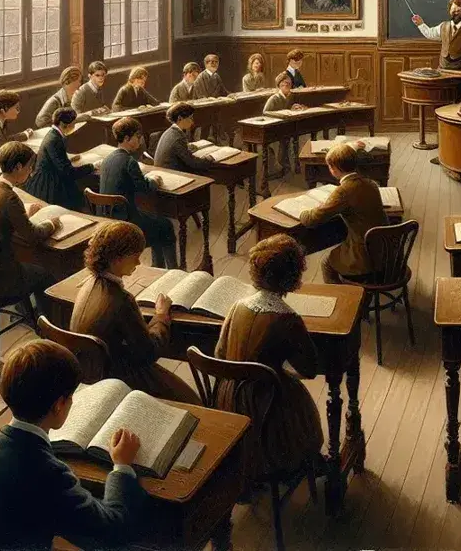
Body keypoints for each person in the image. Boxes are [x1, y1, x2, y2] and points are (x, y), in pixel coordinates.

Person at [0, 339, 147, 550]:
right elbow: (113, 528)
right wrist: (122, 467)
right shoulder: (49, 474)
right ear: (59, 405)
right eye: (70, 397)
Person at [213, 234, 325, 484]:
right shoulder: (289, 319)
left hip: (228, 398)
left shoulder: (238, 306)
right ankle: (284, 463)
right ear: (293, 277)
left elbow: (220, 354)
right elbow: (309, 369)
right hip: (268, 408)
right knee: (303, 419)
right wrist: (279, 369)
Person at [70, 221, 200, 404]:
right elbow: (149, 352)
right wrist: (161, 315)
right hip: (120, 377)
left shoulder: (89, 283)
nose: (139, 262)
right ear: (118, 258)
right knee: (192, 401)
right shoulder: (122, 300)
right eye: (135, 256)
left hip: (93, 370)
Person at [0, 142, 57, 312]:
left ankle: (26, 310)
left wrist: (25, 215)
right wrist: (51, 223)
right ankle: (43, 322)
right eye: (29, 167)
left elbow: (2, 218)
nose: (31, 173)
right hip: (2, 279)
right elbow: (33, 235)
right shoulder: (10, 197)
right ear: (18, 167)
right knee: (47, 274)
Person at [299, 143, 387, 284]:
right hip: (384, 250)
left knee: (327, 263)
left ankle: (340, 298)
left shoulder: (344, 190)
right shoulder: (370, 183)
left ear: (334, 169)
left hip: (364, 257)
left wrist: (302, 212)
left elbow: (312, 220)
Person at [99, 116, 178, 269]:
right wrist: (154, 180)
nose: (140, 141)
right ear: (127, 138)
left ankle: (158, 267)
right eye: (138, 137)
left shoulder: (108, 159)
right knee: (166, 225)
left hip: (107, 218)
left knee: (157, 223)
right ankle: (174, 270)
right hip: (126, 223)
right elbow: (144, 189)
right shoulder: (129, 162)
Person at [26, 106, 96, 211]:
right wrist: (92, 166)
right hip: (48, 184)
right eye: (74, 123)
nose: (75, 126)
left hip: (51, 176)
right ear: (65, 125)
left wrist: (69, 159)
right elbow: (67, 172)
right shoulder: (55, 140)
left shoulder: (54, 134)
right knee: (79, 197)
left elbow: (55, 159)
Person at [412, 0, 461, 72]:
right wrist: (420, 24)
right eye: (453, 10)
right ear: (449, 11)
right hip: (443, 69)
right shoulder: (443, 26)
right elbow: (430, 34)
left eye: (459, 10)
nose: (456, 12)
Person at [156, 103, 227, 176]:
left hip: (165, 171)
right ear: (180, 118)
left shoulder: (170, 131)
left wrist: (188, 148)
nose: (192, 122)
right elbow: (193, 163)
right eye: (190, 118)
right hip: (172, 175)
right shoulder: (178, 137)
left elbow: (179, 150)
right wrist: (209, 158)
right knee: (211, 170)